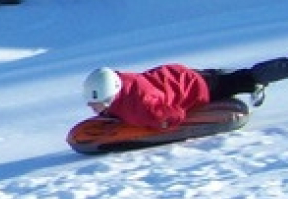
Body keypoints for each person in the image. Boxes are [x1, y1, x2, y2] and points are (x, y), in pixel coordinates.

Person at [82, 58, 288, 130]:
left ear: (110, 98)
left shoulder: (143, 108)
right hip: (179, 76)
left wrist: (161, 124)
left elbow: (176, 115)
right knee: (233, 77)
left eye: (96, 103)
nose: (91, 108)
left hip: (198, 89)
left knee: (247, 78)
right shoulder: (122, 82)